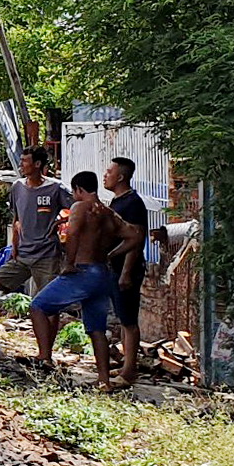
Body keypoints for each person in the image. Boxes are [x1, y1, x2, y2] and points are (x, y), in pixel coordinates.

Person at [27, 171, 124, 386]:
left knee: (38, 307)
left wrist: (68, 263)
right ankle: (104, 381)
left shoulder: (80, 207)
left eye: (74, 191)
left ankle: (44, 357)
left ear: (78, 189)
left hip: (82, 271)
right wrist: (111, 254)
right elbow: (133, 235)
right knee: (97, 329)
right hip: (102, 274)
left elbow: (72, 234)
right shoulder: (108, 212)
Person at [0, 146, 72, 332]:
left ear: (37, 164)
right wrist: (14, 244)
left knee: (49, 303)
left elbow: (77, 210)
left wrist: (60, 223)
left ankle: (46, 353)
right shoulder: (18, 187)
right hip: (22, 254)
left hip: (47, 255)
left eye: (25, 161)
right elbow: (17, 219)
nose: (21, 165)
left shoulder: (55, 188)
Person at [104, 155, 150, 385]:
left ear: (120, 176)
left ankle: (130, 371)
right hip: (116, 267)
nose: (105, 175)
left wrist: (126, 272)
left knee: (129, 321)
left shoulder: (132, 203)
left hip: (126, 268)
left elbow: (136, 239)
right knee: (123, 318)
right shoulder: (117, 201)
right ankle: (124, 365)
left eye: (109, 171)